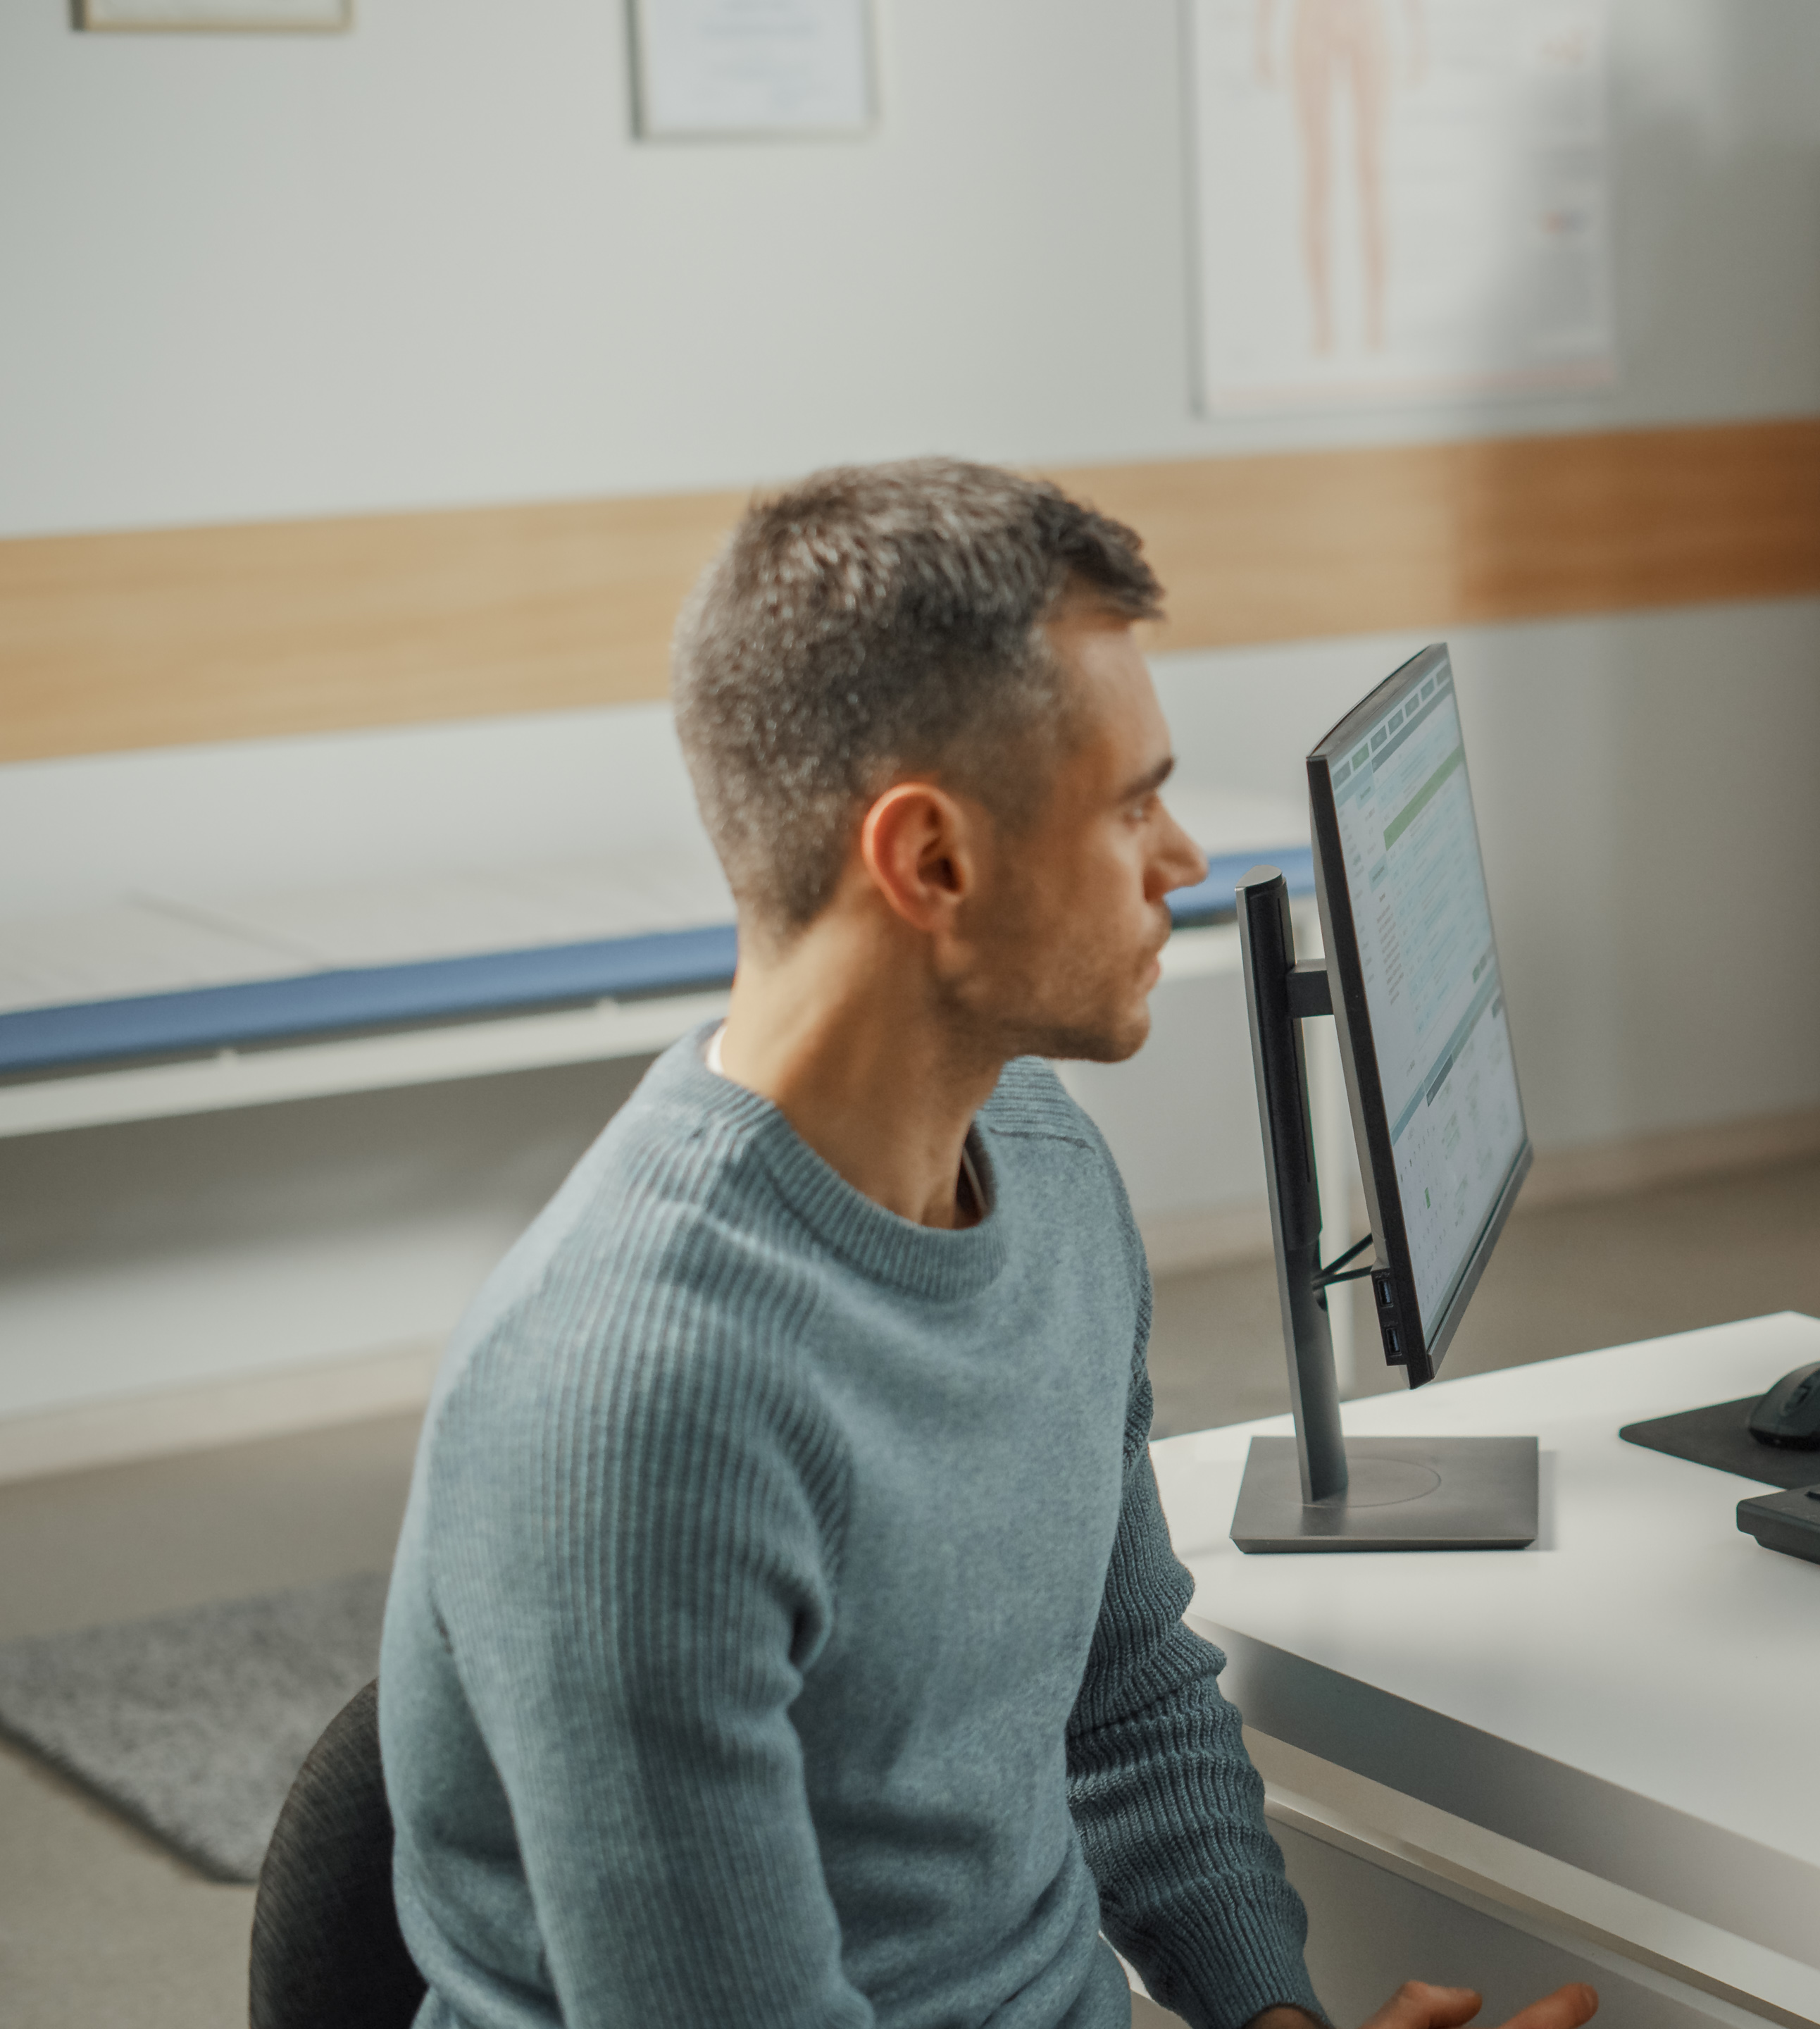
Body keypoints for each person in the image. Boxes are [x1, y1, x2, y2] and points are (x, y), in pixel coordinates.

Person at [379, 460, 1597, 2029]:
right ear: (932, 861)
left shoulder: (1041, 1168)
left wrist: (1275, 2022)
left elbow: (1126, 1706)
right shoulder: (636, 1405)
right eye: (1131, 805)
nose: (1183, 867)